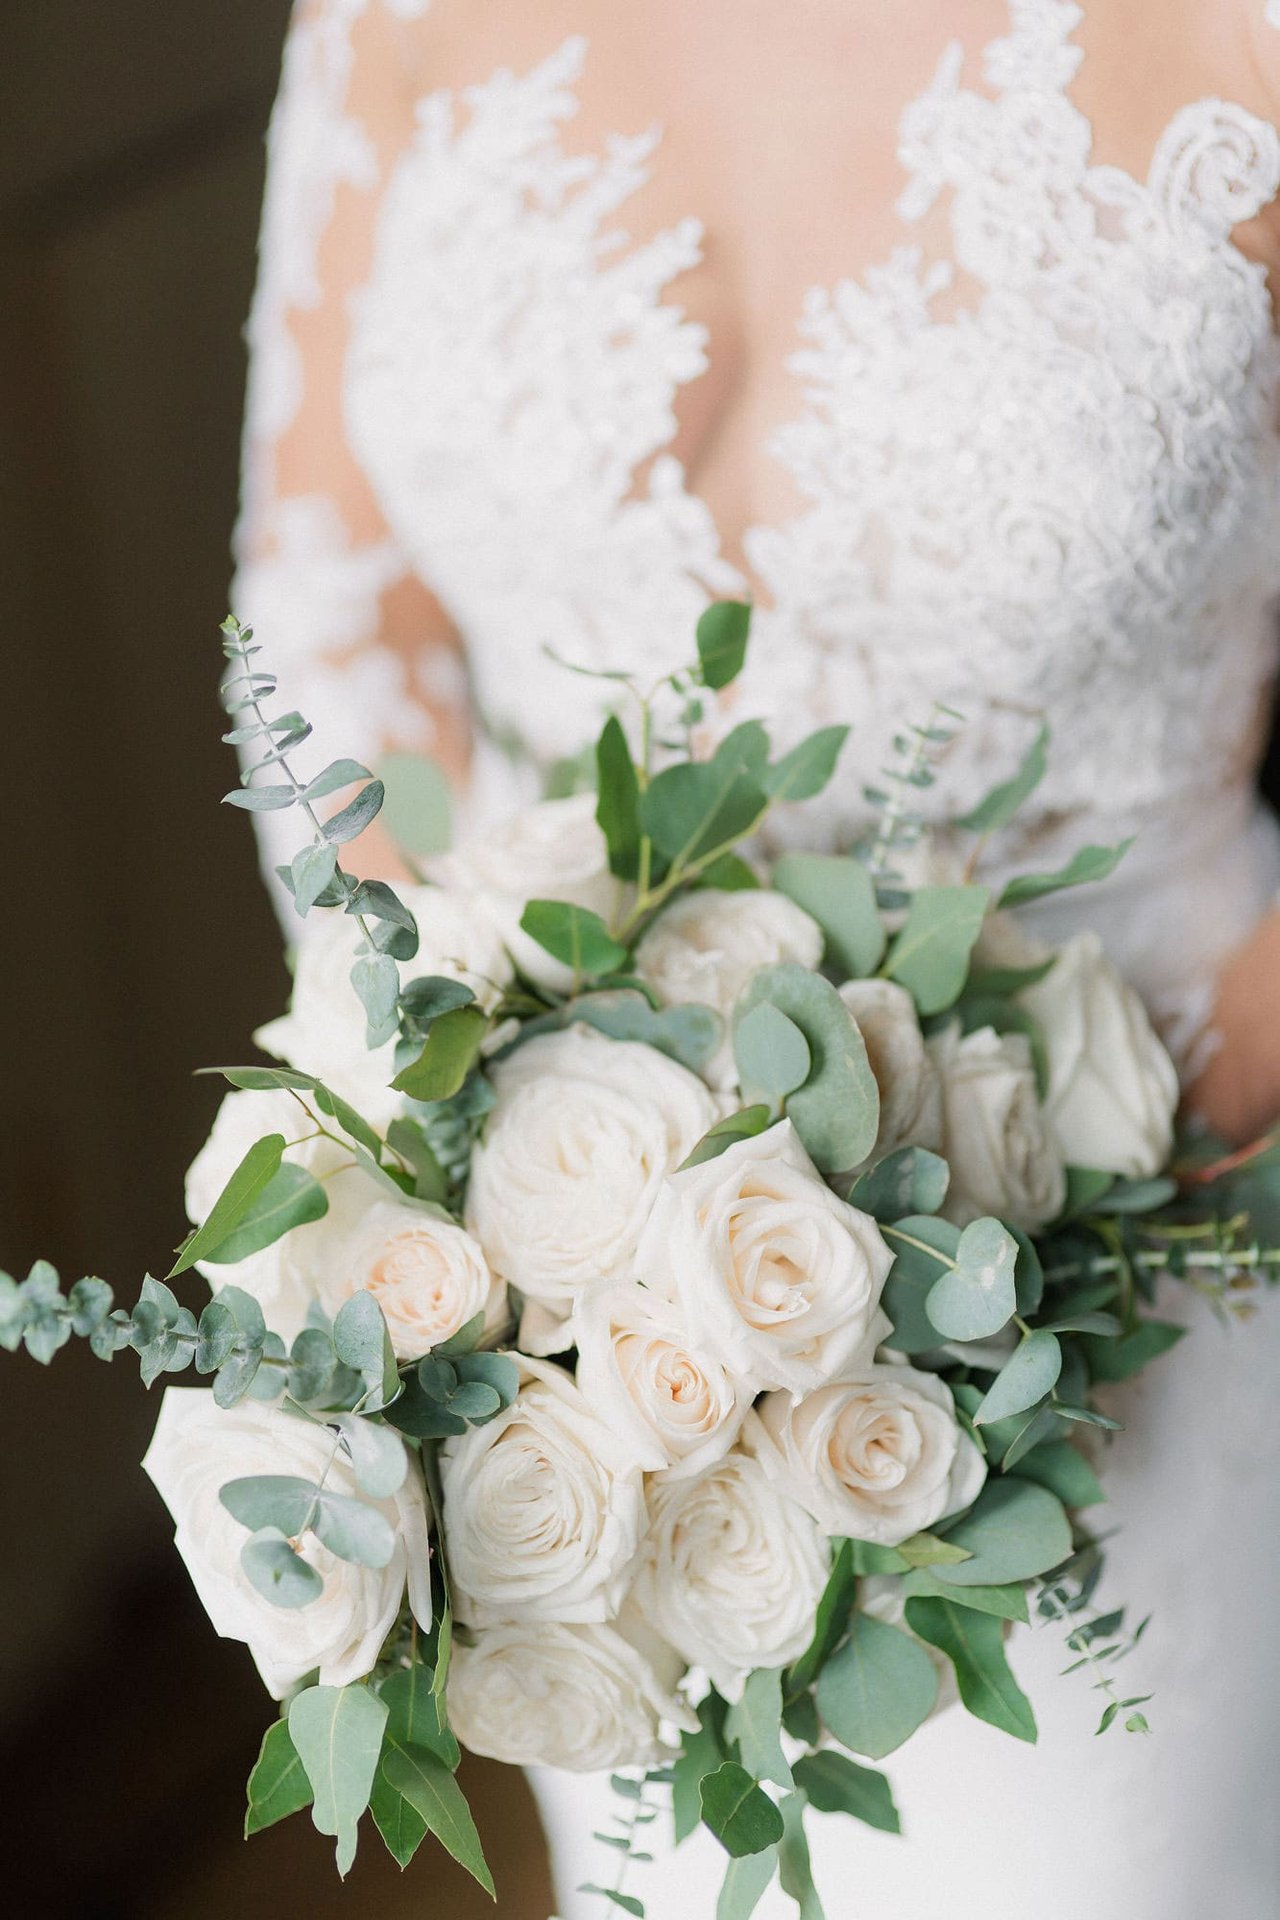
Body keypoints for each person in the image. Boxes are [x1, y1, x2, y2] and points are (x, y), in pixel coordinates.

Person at [232, 4, 1280, 1913]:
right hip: (583, 1365)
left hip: (1147, 1212)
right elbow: (329, 594)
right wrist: (458, 1128)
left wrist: (1100, 1183)